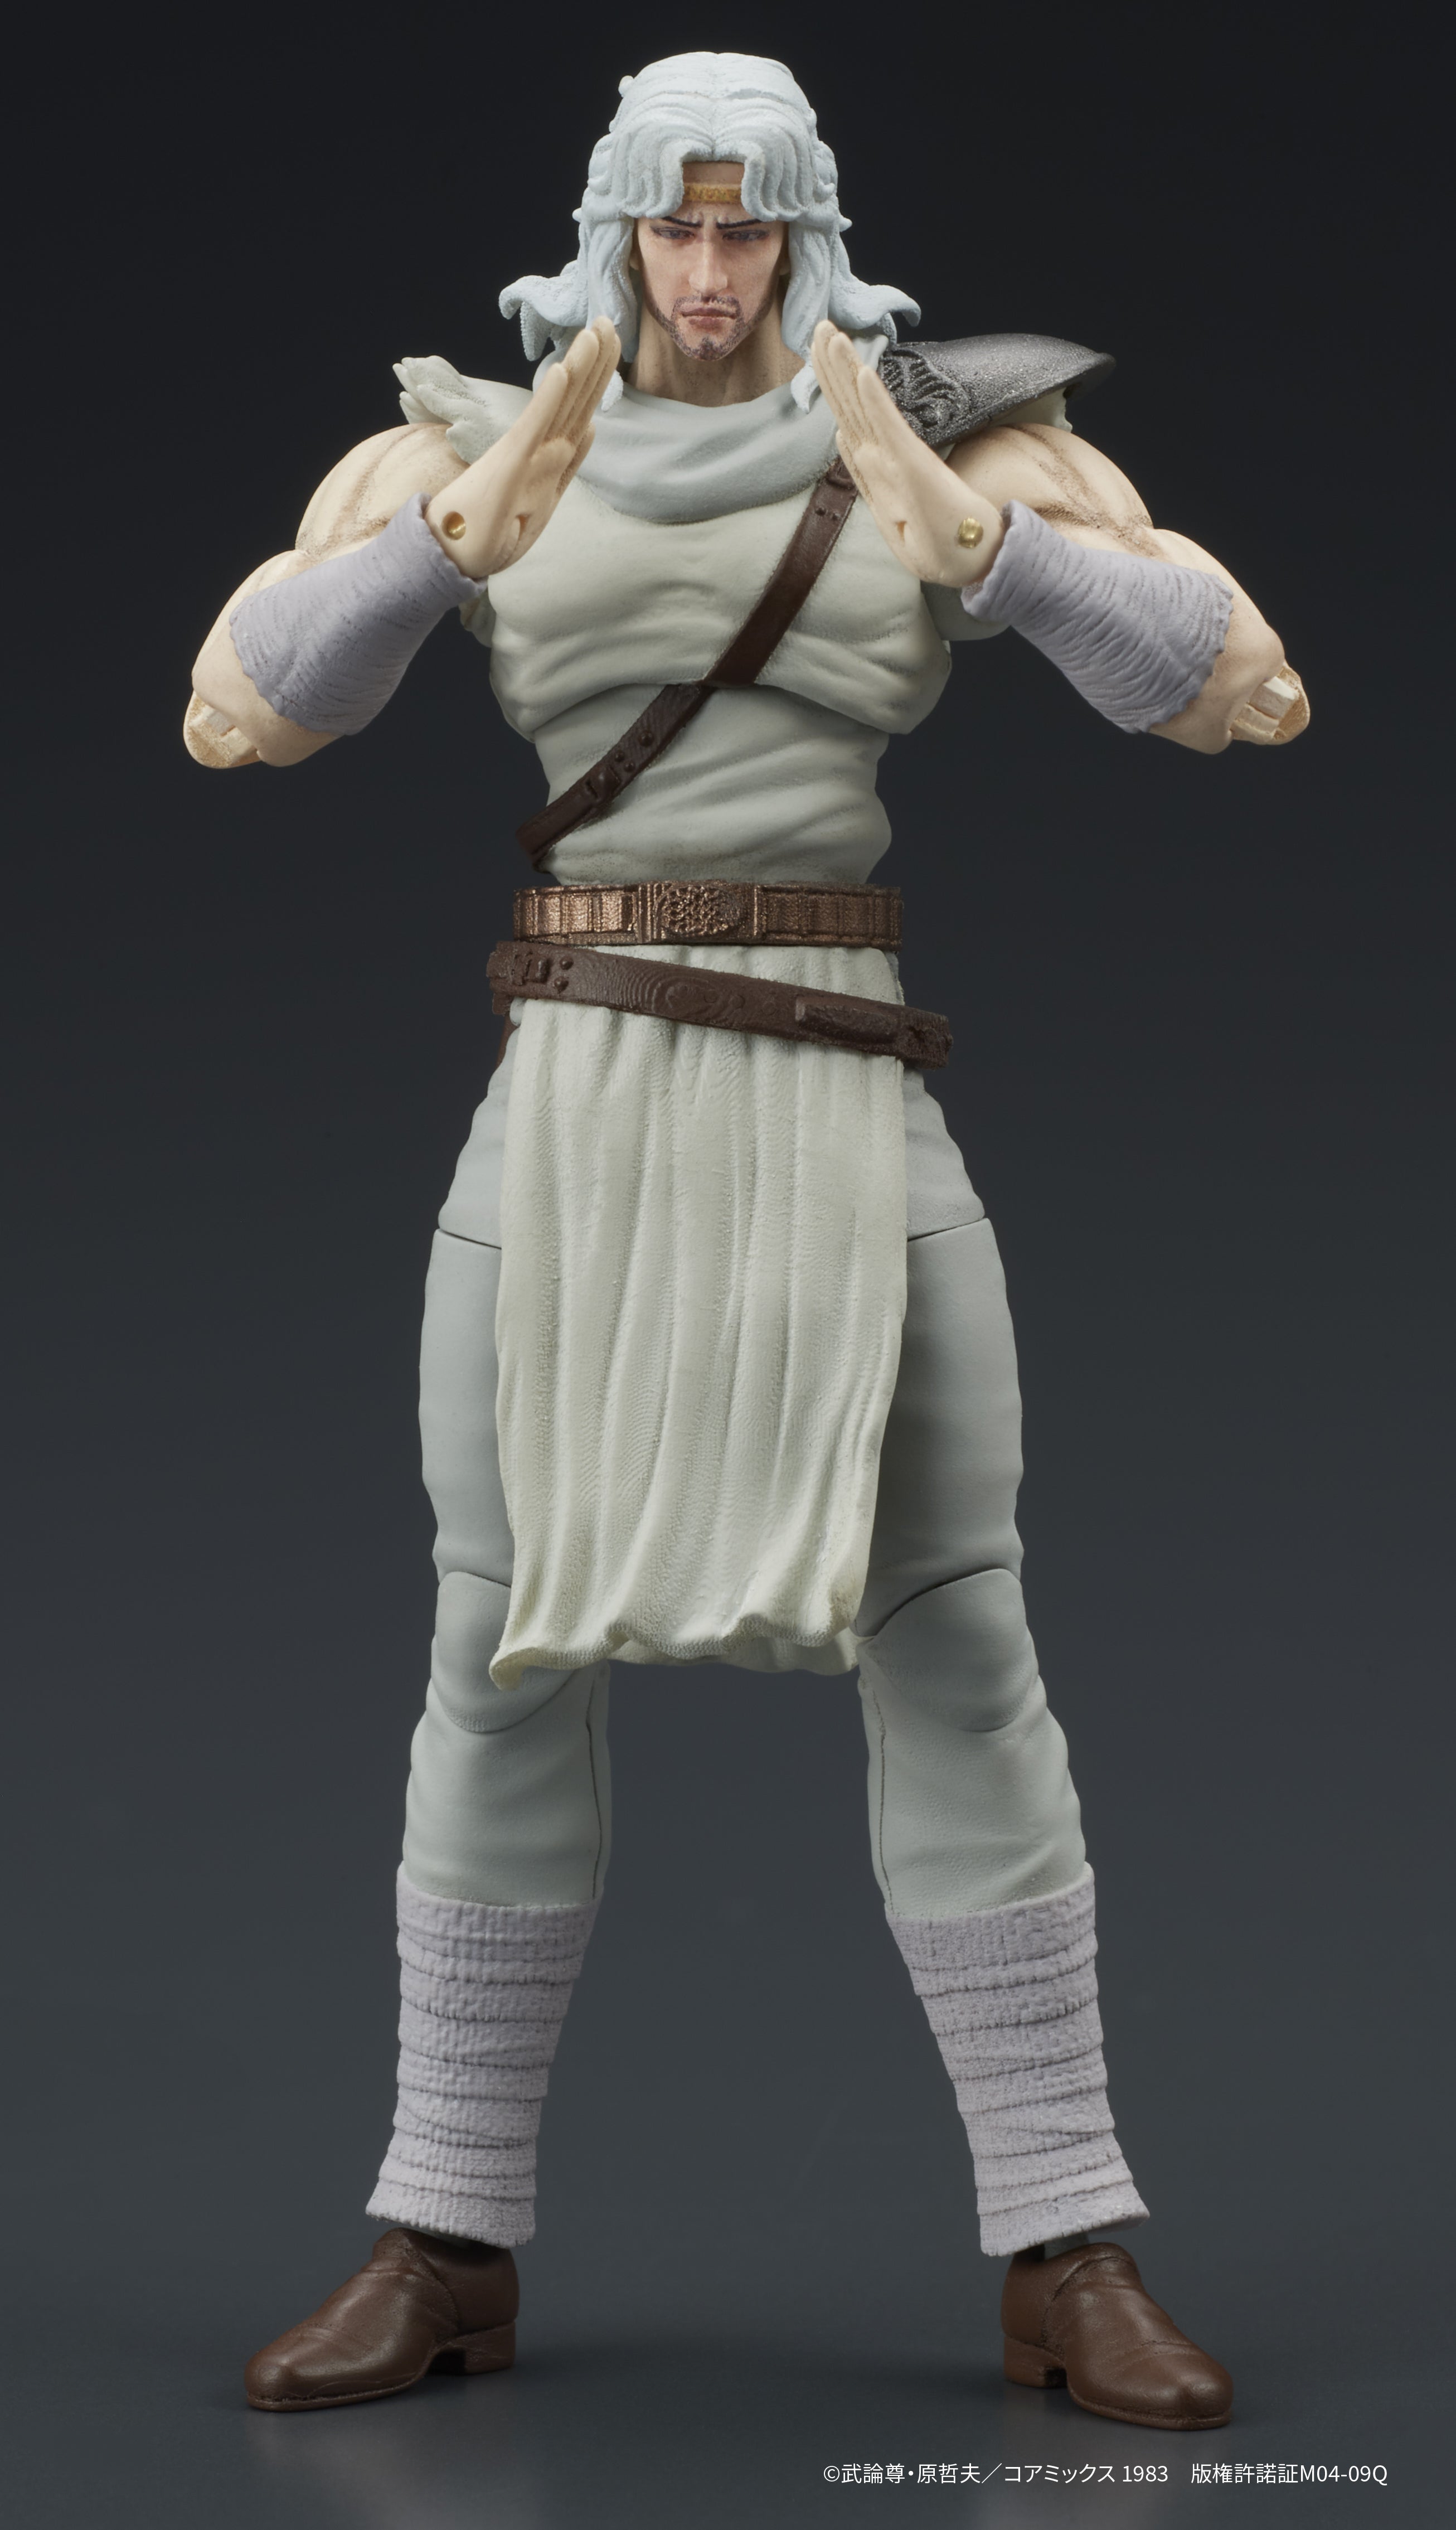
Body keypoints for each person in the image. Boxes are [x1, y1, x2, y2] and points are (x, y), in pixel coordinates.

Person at [186, 52, 1306, 2429]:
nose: (708, 275)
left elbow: (1238, 690)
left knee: (959, 1632)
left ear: (808, 235)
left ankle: (1063, 2245)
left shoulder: (959, 437)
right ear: (611, 231)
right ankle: (442, 2232)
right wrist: (455, 539)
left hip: (837, 1083)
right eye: (673, 228)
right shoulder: (463, 441)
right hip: (573, 1101)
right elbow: (240, 713)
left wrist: (975, 542)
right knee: (495, 1641)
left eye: (748, 228)